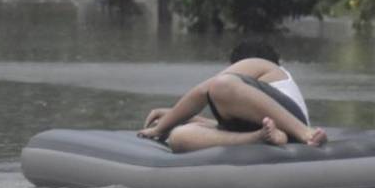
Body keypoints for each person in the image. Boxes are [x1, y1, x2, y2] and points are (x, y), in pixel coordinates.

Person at [137, 39, 327, 152]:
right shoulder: (248, 98)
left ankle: (306, 134)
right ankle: (258, 138)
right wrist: (182, 120)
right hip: (269, 128)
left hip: (294, 124)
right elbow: (228, 124)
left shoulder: (262, 65)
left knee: (220, 85)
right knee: (179, 137)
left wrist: (159, 128)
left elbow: (202, 91)